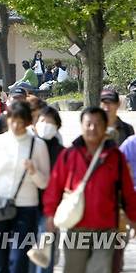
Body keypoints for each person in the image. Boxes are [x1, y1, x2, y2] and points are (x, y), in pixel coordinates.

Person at [44, 107, 136, 273]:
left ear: (105, 126)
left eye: (97, 124)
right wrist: (50, 215)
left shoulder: (116, 157)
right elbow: (54, 187)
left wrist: (133, 219)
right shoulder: (69, 155)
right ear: (82, 126)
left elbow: (128, 192)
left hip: (106, 228)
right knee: (74, 269)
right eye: (89, 124)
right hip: (77, 227)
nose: (93, 128)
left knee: (99, 269)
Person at [0, 101, 50, 273]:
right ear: (6, 119)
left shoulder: (38, 145)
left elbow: (45, 182)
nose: (16, 125)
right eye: (12, 120)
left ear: (28, 122)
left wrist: (33, 172)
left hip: (26, 209)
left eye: (21, 121)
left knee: (19, 261)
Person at [31, 106, 64, 273]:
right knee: (28, 251)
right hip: (26, 204)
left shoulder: (62, 152)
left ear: (57, 126)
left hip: (50, 208)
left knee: (45, 252)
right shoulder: (28, 146)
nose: (45, 125)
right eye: (42, 121)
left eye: (50, 122)